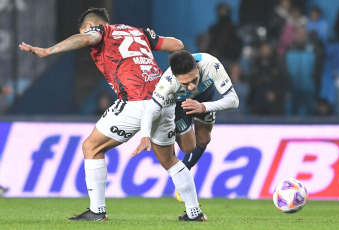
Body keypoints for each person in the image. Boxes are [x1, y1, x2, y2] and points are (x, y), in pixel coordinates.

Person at [19, 8, 207, 222]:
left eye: (83, 32)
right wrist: (148, 36)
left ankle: (97, 211)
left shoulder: (101, 31)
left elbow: (87, 39)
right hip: (163, 97)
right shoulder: (137, 32)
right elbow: (178, 45)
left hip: (136, 100)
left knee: (91, 147)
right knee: (169, 159)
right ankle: (194, 213)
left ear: (88, 27)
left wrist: (48, 51)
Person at [132, 50, 239, 202]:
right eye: (185, 83)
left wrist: (203, 107)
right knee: (188, 147)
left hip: (205, 98)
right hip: (180, 104)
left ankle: (183, 172)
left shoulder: (211, 64)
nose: (191, 87)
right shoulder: (168, 81)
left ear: (198, 68)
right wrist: (145, 136)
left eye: (194, 80)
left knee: (203, 139)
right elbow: (151, 109)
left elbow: (233, 100)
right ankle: (175, 136)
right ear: (176, 77)